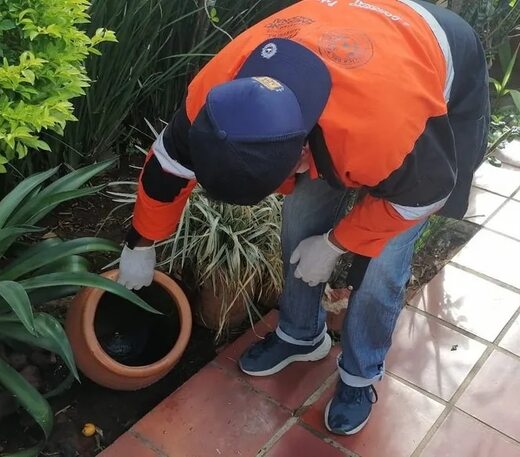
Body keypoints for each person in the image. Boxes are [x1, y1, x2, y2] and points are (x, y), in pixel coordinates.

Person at [114, 0, 489, 436]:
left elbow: (421, 197)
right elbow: (167, 168)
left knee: (382, 267)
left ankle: (359, 375)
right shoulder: (212, 99)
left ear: (302, 152)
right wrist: (141, 242)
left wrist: (337, 244)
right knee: (299, 219)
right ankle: (300, 335)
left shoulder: (387, 128)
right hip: (344, 36)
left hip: (435, 53)